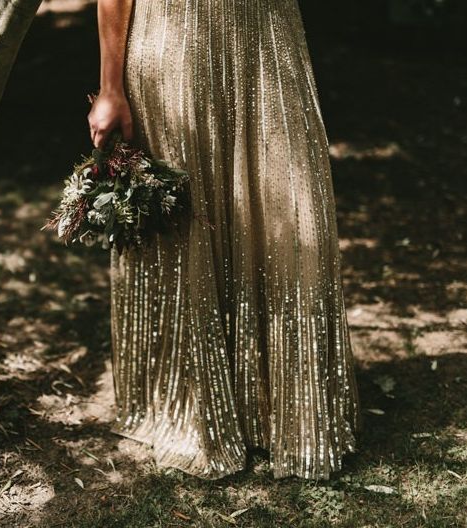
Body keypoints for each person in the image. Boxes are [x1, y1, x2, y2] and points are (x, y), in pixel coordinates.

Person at [87, 0, 362, 480]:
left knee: (291, 212)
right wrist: (111, 86)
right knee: (191, 221)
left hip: (268, 43)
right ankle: (197, 403)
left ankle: (287, 409)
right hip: (175, 44)